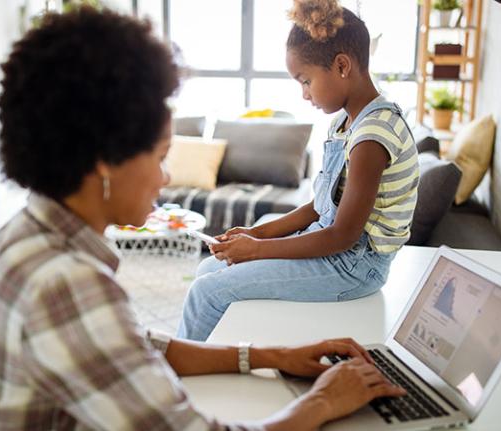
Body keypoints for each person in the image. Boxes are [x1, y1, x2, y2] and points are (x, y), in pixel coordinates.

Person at [0, 7, 404, 431]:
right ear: (106, 159)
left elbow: (131, 346)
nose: (166, 178)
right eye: (162, 156)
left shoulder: (24, 236)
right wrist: (322, 402)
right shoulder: (65, 284)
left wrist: (274, 355)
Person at [177, 0, 419, 342]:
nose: (304, 94)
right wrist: (257, 234)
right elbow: (320, 208)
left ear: (342, 66)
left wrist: (258, 250)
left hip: (354, 267)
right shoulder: (346, 123)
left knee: (207, 292)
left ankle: (181, 377)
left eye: (306, 81)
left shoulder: (372, 137)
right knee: (208, 268)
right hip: (336, 250)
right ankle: (217, 358)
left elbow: (342, 237)